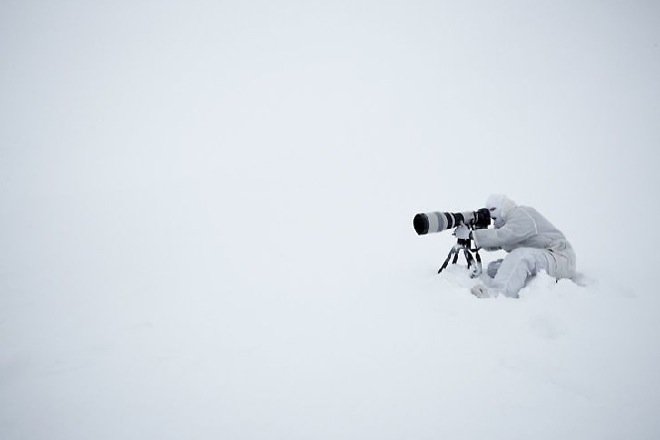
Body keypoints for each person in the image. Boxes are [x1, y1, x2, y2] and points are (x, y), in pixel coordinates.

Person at [454, 194, 576, 298]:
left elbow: (504, 236)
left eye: (494, 218)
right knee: (494, 269)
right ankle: (520, 284)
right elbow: (498, 242)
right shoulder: (510, 225)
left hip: (560, 257)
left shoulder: (520, 214)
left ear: (501, 210)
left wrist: (471, 235)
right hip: (546, 258)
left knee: (519, 255)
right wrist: (476, 232)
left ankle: (498, 293)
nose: (493, 222)